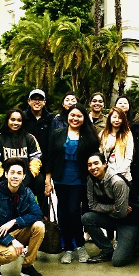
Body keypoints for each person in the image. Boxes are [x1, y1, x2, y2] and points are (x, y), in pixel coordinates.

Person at [45, 103, 100, 264]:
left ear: (84, 118)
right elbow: (50, 157)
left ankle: (80, 246)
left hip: (80, 180)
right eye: (72, 115)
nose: (75, 118)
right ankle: (68, 248)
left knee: (74, 212)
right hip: (61, 179)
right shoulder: (58, 133)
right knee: (63, 213)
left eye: (79, 116)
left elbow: (95, 160)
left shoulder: (90, 136)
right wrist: (48, 180)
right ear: (67, 116)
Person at [0, 158, 45, 276]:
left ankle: (27, 266)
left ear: (24, 176)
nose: (15, 176)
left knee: (39, 226)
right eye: (12, 172)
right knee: (12, 253)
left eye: (19, 173)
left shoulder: (27, 193)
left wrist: (15, 221)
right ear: (6, 174)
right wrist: (11, 241)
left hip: (18, 232)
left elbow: (37, 214)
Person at [81, 152, 139, 266]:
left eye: (96, 163)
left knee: (118, 261)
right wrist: (112, 207)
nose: (93, 167)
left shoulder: (117, 181)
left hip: (129, 221)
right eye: (89, 165)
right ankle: (107, 250)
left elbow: (122, 214)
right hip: (113, 217)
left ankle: (136, 239)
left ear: (104, 164)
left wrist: (114, 209)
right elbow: (92, 205)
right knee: (87, 218)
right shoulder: (90, 180)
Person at [0, 109, 42, 187]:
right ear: (7, 120)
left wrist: (30, 175)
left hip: (26, 183)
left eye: (19, 120)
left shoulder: (29, 138)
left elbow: (36, 157)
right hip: (5, 183)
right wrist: (2, 177)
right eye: (12, 119)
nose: (15, 123)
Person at [23, 89, 54, 215]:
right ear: (29, 101)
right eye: (34, 99)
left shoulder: (51, 119)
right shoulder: (23, 118)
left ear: (44, 102)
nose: (37, 101)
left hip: (45, 162)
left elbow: (52, 145)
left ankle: (44, 224)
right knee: (24, 197)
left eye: (40, 99)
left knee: (44, 199)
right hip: (25, 164)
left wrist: (48, 173)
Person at [99, 106, 134, 180]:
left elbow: (128, 157)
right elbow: (100, 153)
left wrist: (119, 174)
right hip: (106, 175)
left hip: (122, 175)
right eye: (114, 117)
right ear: (110, 118)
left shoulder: (127, 135)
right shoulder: (103, 134)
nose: (117, 120)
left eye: (120, 118)